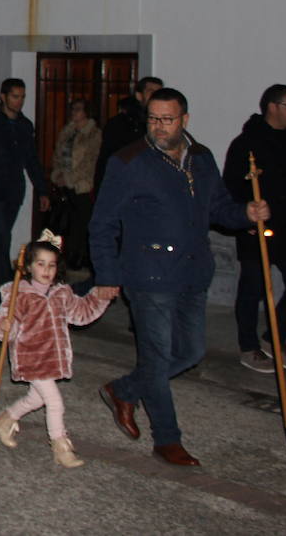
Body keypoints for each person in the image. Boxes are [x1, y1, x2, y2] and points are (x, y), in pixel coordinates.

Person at [90, 87, 269, 467]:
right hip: (147, 274)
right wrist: (106, 274)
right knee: (157, 358)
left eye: (167, 120)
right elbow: (102, 223)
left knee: (190, 352)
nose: (159, 127)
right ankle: (167, 439)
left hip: (192, 271)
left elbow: (218, 207)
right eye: (153, 119)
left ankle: (124, 390)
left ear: (184, 120)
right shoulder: (128, 161)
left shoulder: (201, 158)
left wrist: (246, 214)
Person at [0, 234, 116, 468]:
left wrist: (99, 297)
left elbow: (80, 313)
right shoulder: (19, 294)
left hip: (52, 358)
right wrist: (4, 325)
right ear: (28, 267)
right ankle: (61, 447)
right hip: (30, 358)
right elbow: (7, 320)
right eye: (41, 264)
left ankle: (4, 419)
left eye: (52, 265)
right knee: (55, 402)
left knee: (36, 398)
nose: (47, 270)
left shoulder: (61, 292)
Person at [222, 83, 286, 373]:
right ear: (273, 107)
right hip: (255, 228)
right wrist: (243, 217)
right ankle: (248, 346)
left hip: (285, 226)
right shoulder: (246, 143)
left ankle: (274, 337)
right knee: (253, 287)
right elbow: (231, 187)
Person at [0, 78, 51, 303]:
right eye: (15, 96)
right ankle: (9, 289)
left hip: (14, 190)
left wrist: (42, 190)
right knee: (2, 237)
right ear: (3, 97)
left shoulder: (25, 125)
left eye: (22, 97)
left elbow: (31, 160)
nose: (19, 101)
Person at [49, 98, 101, 271]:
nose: (74, 112)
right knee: (65, 223)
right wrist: (58, 174)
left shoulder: (93, 134)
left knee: (80, 224)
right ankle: (65, 257)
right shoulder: (67, 131)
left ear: (86, 112)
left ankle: (79, 258)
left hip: (82, 187)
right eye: (73, 109)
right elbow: (58, 155)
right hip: (64, 186)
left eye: (78, 109)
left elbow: (90, 162)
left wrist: (71, 178)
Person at [95, 76, 163, 190]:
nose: (156, 96)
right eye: (151, 92)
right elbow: (108, 159)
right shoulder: (119, 124)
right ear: (139, 95)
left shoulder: (163, 124)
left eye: (159, 92)